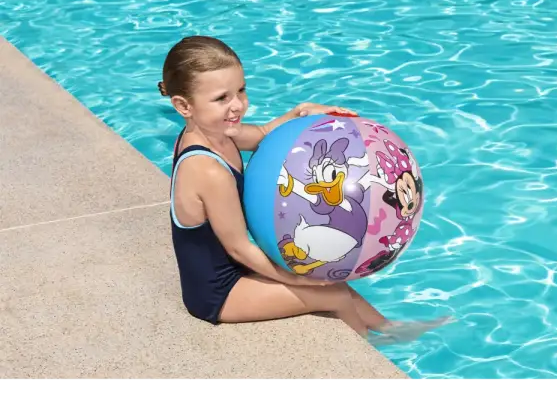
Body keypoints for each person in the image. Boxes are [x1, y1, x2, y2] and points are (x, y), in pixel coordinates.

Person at [158, 35, 452, 345]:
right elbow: (238, 248)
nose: (237, 105)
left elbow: (263, 133)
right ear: (183, 105)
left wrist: (303, 113)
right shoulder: (206, 169)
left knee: (330, 277)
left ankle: (390, 327)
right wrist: (295, 278)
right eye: (222, 98)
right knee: (334, 294)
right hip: (217, 293)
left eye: (241, 90)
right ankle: (374, 347)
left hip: (238, 270)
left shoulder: (216, 132)